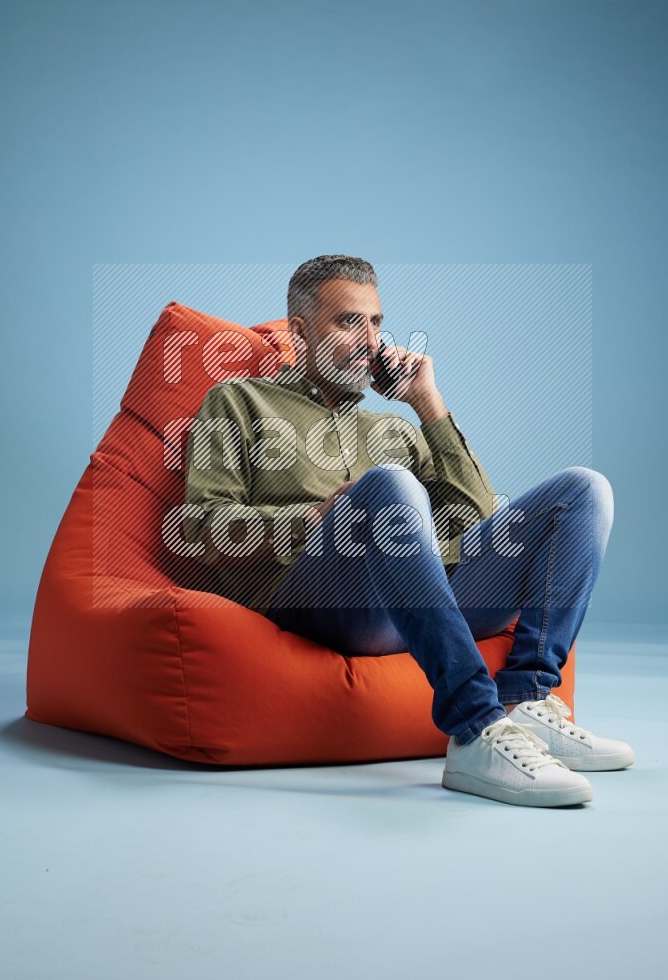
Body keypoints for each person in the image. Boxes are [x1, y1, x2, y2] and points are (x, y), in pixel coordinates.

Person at [183, 255, 634, 807]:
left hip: (425, 605)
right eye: (349, 322)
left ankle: (527, 700)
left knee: (583, 491)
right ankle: (474, 729)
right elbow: (200, 527)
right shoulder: (239, 401)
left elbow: (477, 523)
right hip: (326, 602)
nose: (370, 340)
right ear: (300, 333)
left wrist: (427, 403)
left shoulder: (393, 426)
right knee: (390, 485)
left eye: (376, 323)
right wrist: (310, 521)